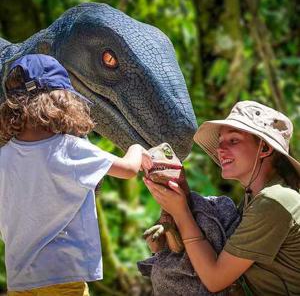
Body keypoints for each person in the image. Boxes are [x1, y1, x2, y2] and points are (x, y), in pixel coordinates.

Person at [0, 54, 153, 295]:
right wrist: (136, 148)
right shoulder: (68, 148)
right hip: (63, 275)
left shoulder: (4, 156)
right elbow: (129, 169)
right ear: (61, 102)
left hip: (20, 278)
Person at [144, 100, 300, 295]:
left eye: (233, 141)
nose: (220, 149)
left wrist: (181, 212)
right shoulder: (253, 199)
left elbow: (215, 279)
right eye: (220, 142)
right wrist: (178, 203)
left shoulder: (275, 200)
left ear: (265, 148)